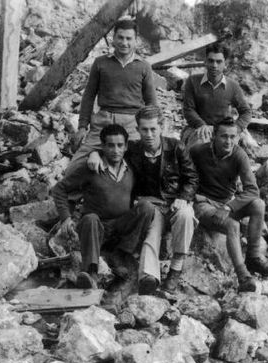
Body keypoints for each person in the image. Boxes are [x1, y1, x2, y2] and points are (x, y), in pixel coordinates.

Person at [52, 124, 155, 289]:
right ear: (103, 147)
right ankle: (90, 273)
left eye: (120, 145)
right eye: (110, 145)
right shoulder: (91, 167)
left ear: (126, 147)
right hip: (96, 229)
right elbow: (59, 189)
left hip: (121, 227)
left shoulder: (131, 168)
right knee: (90, 219)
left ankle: (120, 254)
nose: (115, 150)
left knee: (147, 207)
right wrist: (65, 218)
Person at [191, 117, 268, 292]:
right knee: (232, 225)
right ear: (213, 136)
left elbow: (253, 190)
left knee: (258, 205)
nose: (229, 141)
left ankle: (253, 257)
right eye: (224, 136)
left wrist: (229, 207)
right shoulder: (198, 152)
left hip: (225, 203)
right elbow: (184, 176)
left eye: (232, 136)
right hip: (203, 203)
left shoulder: (239, 155)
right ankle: (243, 276)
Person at [122, 106, 198, 294]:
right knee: (152, 232)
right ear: (138, 129)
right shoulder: (132, 149)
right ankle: (149, 277)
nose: (148, 134)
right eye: (144, 129)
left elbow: (192, 177)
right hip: (150, 204)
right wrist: (93, 155)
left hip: (173, 202)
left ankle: (175, 270)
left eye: (153, 129)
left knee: (186, 215)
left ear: (161, 127)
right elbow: (107, 150)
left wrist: (183, 197)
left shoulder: (176, 147)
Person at [71, 18, 157, 172]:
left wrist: (155, 129)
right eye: (120, 37)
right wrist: (82, 127)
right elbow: (89, 96)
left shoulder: (144, 67)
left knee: (143, 166)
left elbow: (151, 103)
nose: (124, 42)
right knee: (75, 168)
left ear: (135, 41)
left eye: (129, 38)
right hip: (104, 121)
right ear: (113, 39)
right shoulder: (100, 63)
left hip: (133, 123)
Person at [182, 42, 252, 149]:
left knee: (232, 154)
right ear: (205, 61)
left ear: (225, 64)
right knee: (200, 150)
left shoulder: (232, 86)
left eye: (219, 62)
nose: (214, 65)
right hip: (198, 129)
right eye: (211, 61)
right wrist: (201, 125)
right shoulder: (192, 81)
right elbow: (188, 109)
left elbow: (246, 111)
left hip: (223, 131)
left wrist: (236, 129)